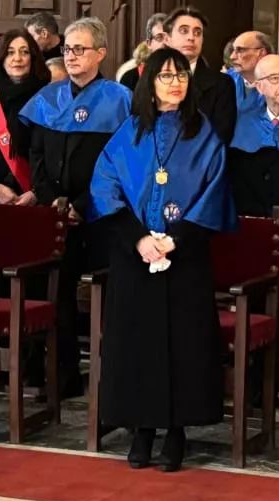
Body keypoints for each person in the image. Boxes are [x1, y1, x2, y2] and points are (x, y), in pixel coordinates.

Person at [89, 45, 234, 472]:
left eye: (181, 75)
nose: (175, 83)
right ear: (149, 83)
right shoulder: (130, 132)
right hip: (135, 256)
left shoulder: (203, 133)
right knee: (137, 344)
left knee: (182, 346)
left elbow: (214, 192)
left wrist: (176, 240)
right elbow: (105, 188)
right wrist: (138, 239)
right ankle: (141, 429)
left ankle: (175, 432)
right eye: (166, 75)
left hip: (184, 257)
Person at [21, 17, 132, 399]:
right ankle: (56, 374)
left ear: (101, 53)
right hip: (53, 213)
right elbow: (36, 153)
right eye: (67, 48)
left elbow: (121, 162)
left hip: (100, 215)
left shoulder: (119, 100)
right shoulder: (48, 98)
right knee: (51, 290)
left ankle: (108, 379)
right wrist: (49, 197)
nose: (71, 56)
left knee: (106, 293)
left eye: (80, 49)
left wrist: (82, 204)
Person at [228, 52, 279, 412]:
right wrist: (258, 222)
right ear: (258, 87)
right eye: (274, 79)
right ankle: (254, 391)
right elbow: (237, 181)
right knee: (254, 308)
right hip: (253, 235)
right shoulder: (244, 123)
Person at [0, 28, 50, 203]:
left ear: (33, 58)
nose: (17, 58)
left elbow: (54, 154)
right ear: (1, 58)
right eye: (10, 52)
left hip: (37, 197)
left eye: (24, 52)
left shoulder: (49, 98)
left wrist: (37, 192)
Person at [162, 6, 237, 143]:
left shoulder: (222, 84)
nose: (191, 37)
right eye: (184, 31)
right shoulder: (151, 78)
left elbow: (221, 137)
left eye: (197, 33)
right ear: (167, 39)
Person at [225, 31, 272, 118]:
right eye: (233, 50)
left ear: (261, 52)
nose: (232, 56)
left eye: (240, 50)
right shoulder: (226, 79)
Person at [118, 12, 167, 88]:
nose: (165, 42)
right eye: (159, 37)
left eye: (168, 37)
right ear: (149, 43)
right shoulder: (130, 78)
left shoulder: (183, 75)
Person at [26, 12, 65, 80]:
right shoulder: (33, 53)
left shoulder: (70, 50)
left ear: (44, 33)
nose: (29, 42)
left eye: (32, 37)